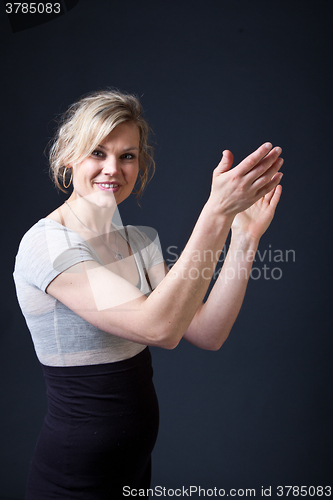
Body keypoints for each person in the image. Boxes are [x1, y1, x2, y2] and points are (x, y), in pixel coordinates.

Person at [13, 89, 283, 499]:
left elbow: (206, 331)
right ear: (68, 156)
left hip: (134, 471)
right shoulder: (48, 246)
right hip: (73, 482)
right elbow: (158, 327)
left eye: (127, 156)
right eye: (97, 153)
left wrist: (243, 236)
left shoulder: (140, 241)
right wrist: (215, 212)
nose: (113, 169)